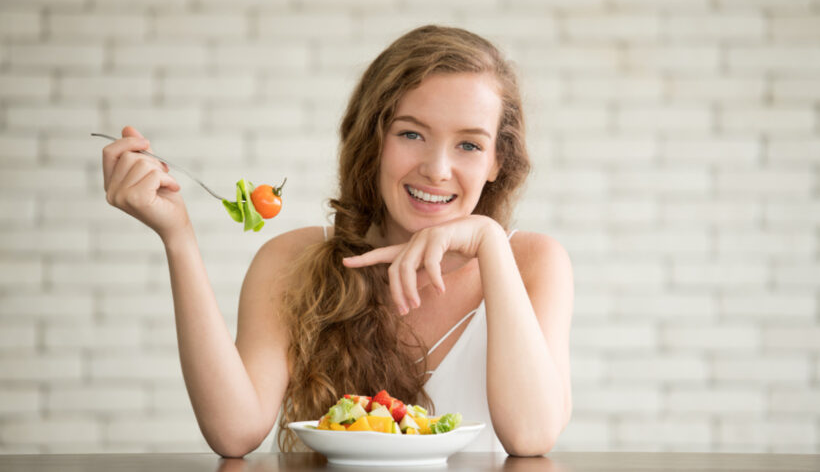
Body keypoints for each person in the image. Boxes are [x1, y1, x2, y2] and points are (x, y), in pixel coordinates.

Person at [101, 25, 573, 457]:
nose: (437, 169)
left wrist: (489, 242)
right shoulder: (293, 259)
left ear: (497, 161)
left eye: (469, 144)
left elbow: (531, 437)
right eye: (411, 133)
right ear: (373, 140)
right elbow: (233, 432)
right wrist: (178, 236)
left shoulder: (534, 262)